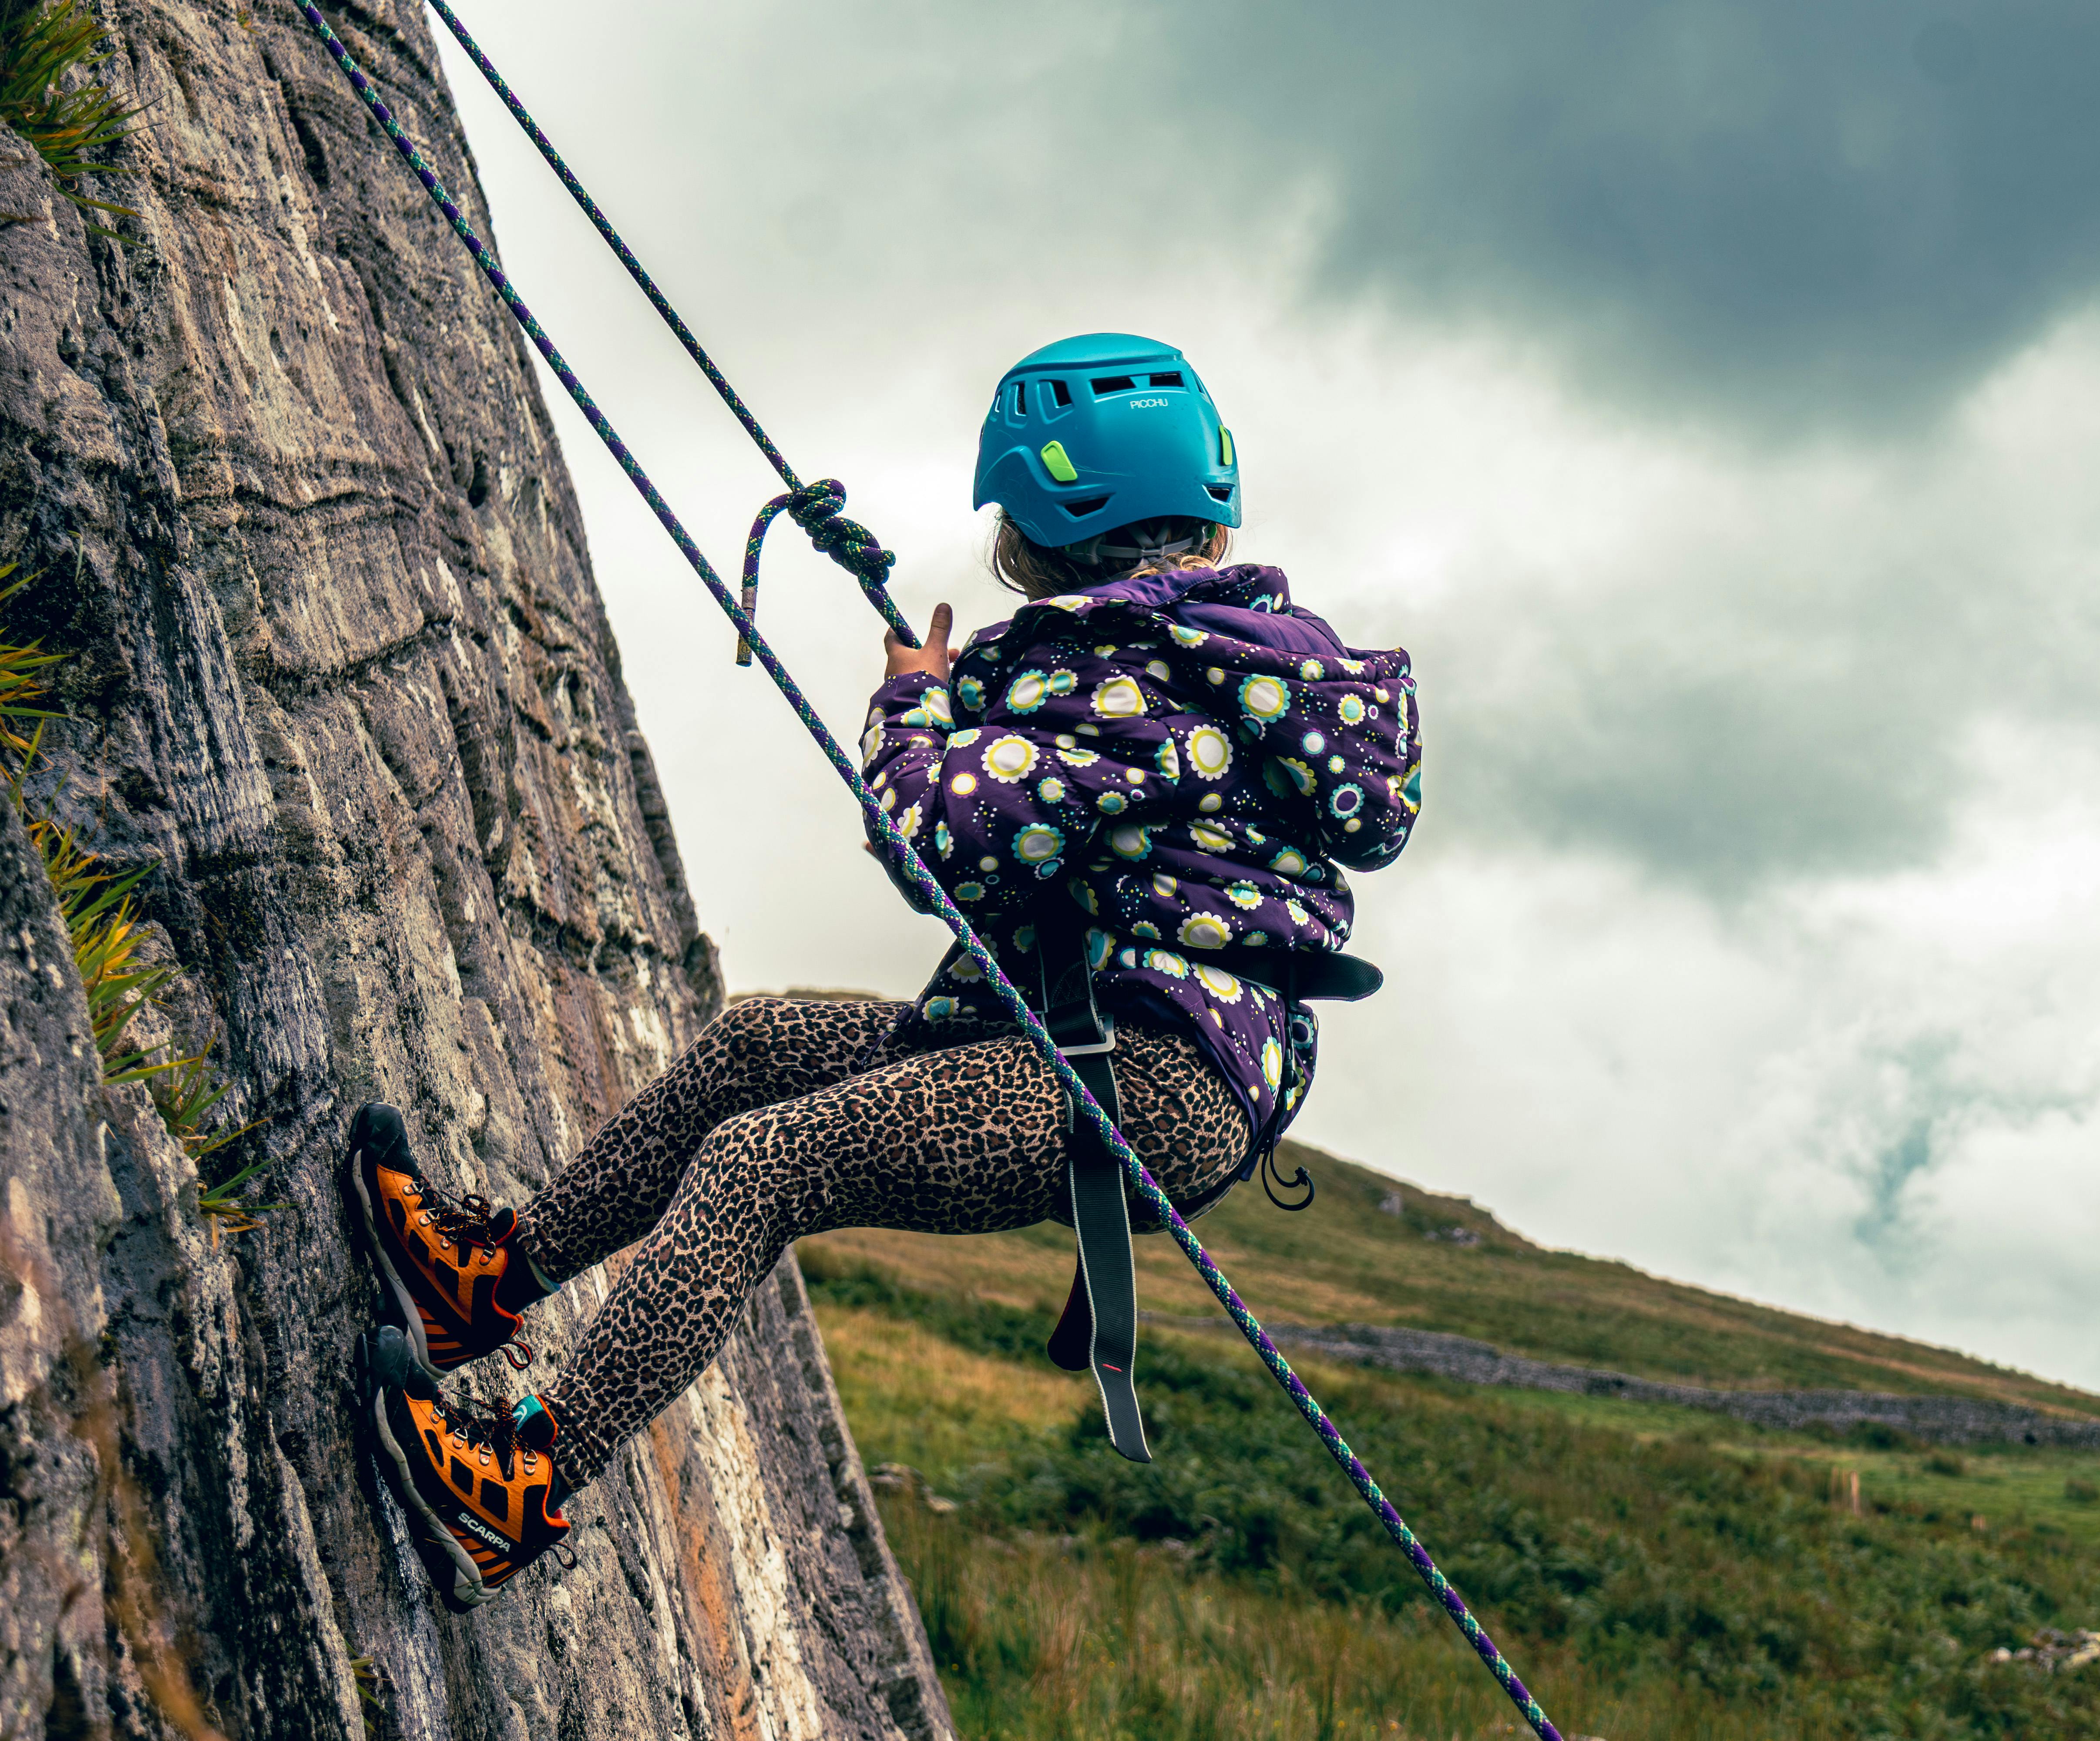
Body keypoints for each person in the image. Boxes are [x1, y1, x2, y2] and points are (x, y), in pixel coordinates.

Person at [346, 334, 1424, 1611]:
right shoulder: (1230, 661)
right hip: (1119, 1054)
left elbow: (944, 841)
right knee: (759, 1049)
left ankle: (517, 1487)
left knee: (762, 1166)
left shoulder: (1138, 679)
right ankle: (483, 1283)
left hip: (1140, 1079)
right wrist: (980, 712)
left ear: (1052, 518)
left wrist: (914, 707)